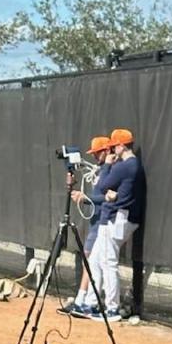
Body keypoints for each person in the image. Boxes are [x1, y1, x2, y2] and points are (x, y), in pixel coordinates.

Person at [78, 126, 144, 322]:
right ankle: (91, 303)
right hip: (117, 217)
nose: (113, 150)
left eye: (115, 146)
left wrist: (107, 165)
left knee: (108, 263)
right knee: (96, 261)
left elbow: (102, 186)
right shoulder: (131, 165)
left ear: (122, 146)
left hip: (116, 219)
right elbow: (106, 191)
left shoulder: (125, 165)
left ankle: (112, 308)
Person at [59, 136, 115, 317]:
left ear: (107, 151)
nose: (94, 157)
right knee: (91, 261)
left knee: (91, 261)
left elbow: (105, 195)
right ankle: (84, 300)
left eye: (97, 153)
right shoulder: (101, 169)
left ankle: (85, 301)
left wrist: (85, 198)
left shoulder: (111, 170)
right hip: (96, 221)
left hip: (103, 222)